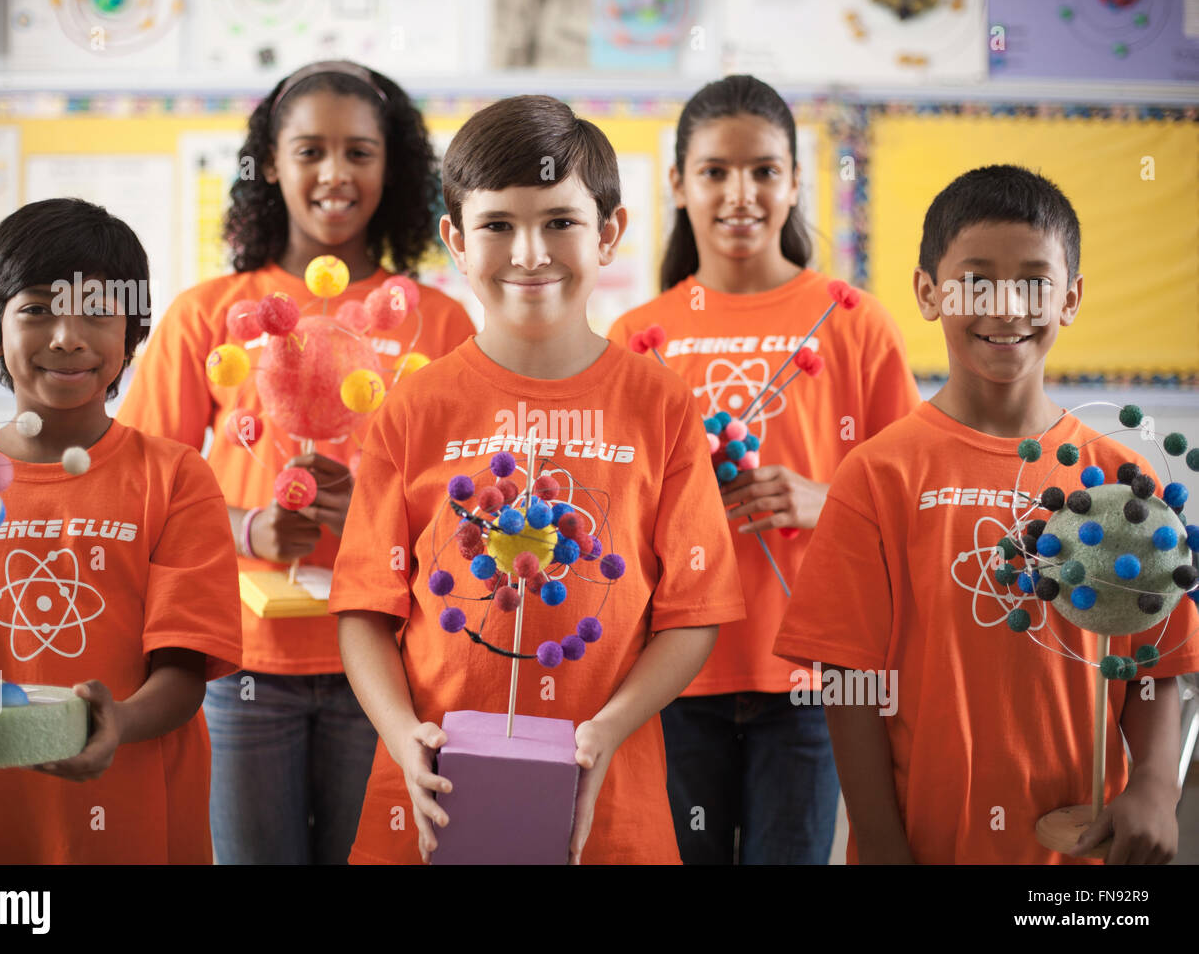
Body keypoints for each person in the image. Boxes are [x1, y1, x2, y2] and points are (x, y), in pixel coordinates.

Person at [329, 95, 747, 864]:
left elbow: (694, 614)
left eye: (560, 221)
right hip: (428, 806)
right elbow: (364, 608)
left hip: (612, 812)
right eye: (497, 225)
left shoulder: (661, 407)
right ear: (455, 240)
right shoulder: (414, 408)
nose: (529, 253)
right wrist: (401, 735)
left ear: (609, 233)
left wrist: (607, 730)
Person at [774, 164, 1199, 864]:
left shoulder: (1125, 478)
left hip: (1088, 852)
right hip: (927, 845)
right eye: (976, 278)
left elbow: (1155, 659)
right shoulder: (878, 475)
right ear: (928, 292)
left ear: (1071, 299)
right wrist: (879, 843)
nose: (1006, 307)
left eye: (1034, 279)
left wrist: (1155, 784)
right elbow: (848, 682)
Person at [116, 60, 473, 864]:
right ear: (270, 164)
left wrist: (382, 524)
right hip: (240, 670)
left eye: (360, 152)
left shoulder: (440, 325)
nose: (335, 174)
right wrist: (244, 526)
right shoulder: (208, 315)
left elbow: (472, 513)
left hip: (386, 671)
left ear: (395, 166)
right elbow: (139, 491)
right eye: (310, 150)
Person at [608, 74, 919, 864]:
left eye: (763, 171)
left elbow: (916, 500)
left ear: (792, 182)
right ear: (677, 183)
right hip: (673, 673)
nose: (739, 193)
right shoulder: (637, 334)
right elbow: (608, 508)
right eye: (714, 171)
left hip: (810, 680)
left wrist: (827, 499)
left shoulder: (852, 321)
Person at [0, 197, 242, 863]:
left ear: (132, 335)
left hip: (138, 822)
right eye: (36, 309)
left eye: (96, 312)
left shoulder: (175, 477)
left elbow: (184, 666)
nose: (66, 335)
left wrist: (118, 723)